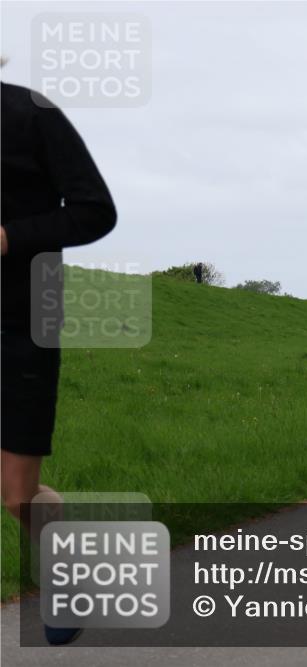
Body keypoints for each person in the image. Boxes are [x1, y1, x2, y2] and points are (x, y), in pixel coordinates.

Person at [1, 81, 117, 646]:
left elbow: (95, 211)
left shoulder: (30, 113)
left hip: (21, 321)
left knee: (17, 493)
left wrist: (8, 237)